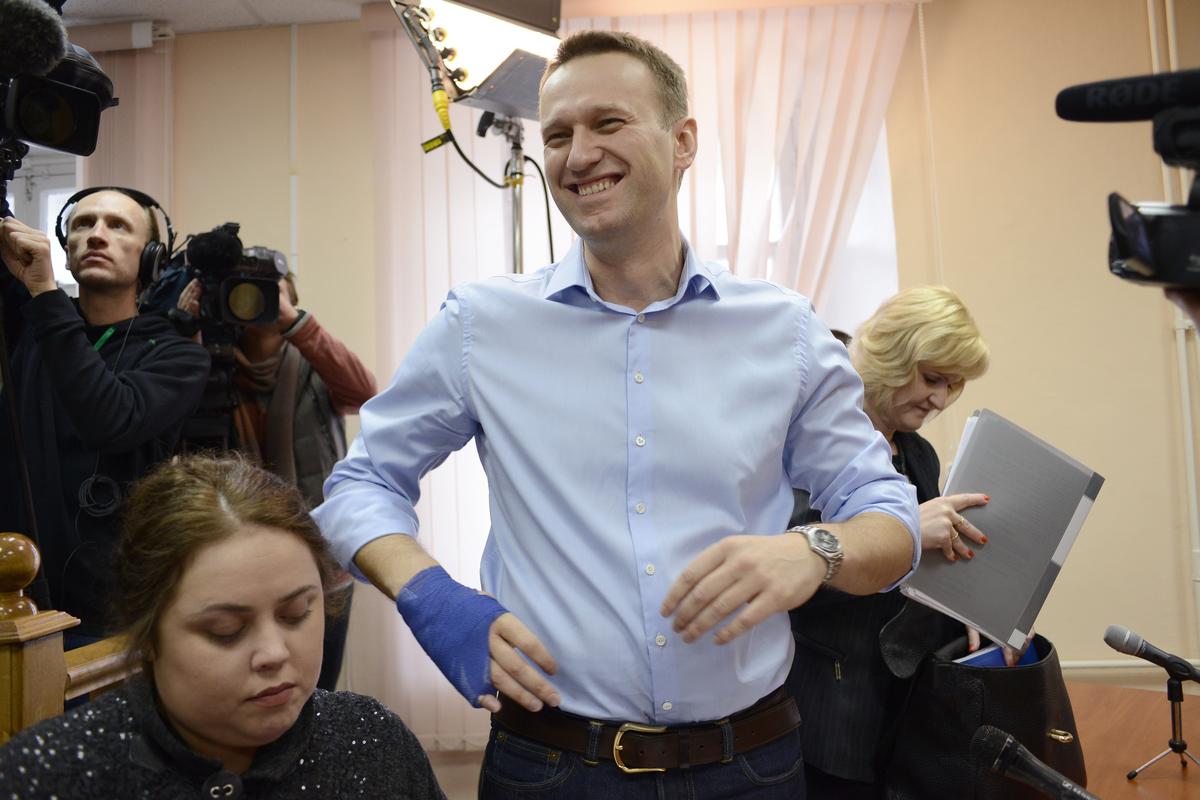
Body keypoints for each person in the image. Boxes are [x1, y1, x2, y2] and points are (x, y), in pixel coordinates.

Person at [314, 30, 920, 799]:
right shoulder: (481, 325)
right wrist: (432, 597)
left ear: (684, 141)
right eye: (559, 134)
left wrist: (814, 551)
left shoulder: (786, 330)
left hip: (752, 765)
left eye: (608, 123)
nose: (576, 154)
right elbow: (359, 485)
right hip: (551, 766)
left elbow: (892, 521)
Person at [0, 454, 445, 798]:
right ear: (149, 633)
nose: (274, 652)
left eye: (296, 614)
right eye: (225, 630)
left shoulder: (374, 744)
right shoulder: (47, 775)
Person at [787, 285, 990, 799]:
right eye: (931, 379)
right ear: (890, 356)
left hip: (903, 712)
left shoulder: (918, 454)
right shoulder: (812, 442)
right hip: (829, 714)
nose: (940, 399)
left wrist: (967, 602)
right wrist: (905, 535)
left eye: (952, 385)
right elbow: (787, 573)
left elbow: (919, 572)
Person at [0, 188, 209, 641]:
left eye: (117, 226)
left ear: (151, 257)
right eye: (82, 224)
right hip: (9, 592)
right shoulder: (28, 323)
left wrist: (43, 290)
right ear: (66, 248)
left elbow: (109, 419)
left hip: (106, 616)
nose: (97, 235)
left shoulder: (178, 358)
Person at [176, 268, 378, 690]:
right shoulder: (212, 364)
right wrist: (184, 329)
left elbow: (364, 392)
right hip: (233, 555)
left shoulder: (314, 362)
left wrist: (297, 324)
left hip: (322, 556)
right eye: (244, 291)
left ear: (291, 299)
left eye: (270, 291)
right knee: (245, 683)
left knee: (317, 689)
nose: (257, 299)